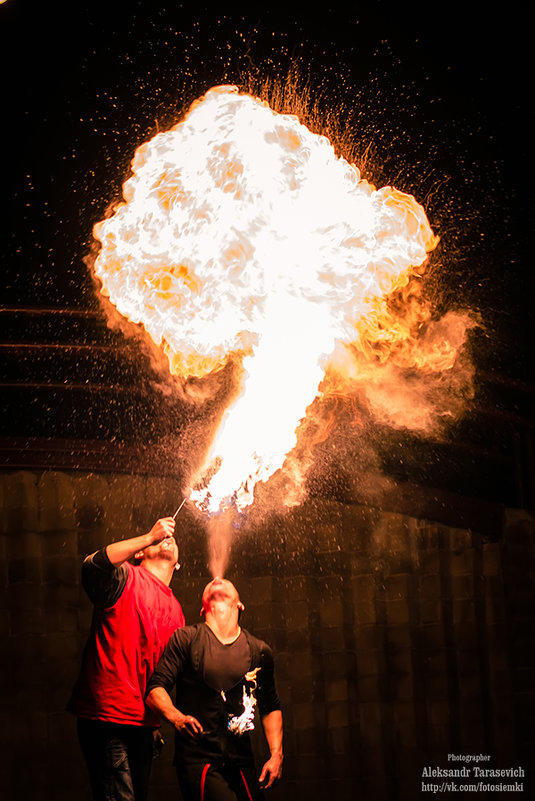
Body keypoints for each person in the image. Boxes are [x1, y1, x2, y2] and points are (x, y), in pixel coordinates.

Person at [68, 516, 185, 801]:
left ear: (178, 564)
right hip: (107, 718)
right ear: (141, 554)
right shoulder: (126, 577)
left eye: (172, 540)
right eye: (158, 540)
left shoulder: (177, 611)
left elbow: (162, 675)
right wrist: (148, 536)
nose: (168, 539)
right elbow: (92, 565)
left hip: (143, 727)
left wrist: (158, 724)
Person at [146, 577, 283, 801]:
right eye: (211, 582)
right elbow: (155, 690)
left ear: (240, 605)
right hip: (198, 761)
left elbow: (271, 705)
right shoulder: (186, 639)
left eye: (227, 581)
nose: (217, 579)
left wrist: (277, 755)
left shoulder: (260, 651)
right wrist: (177, 719)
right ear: (203, 608)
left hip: (241, 761)